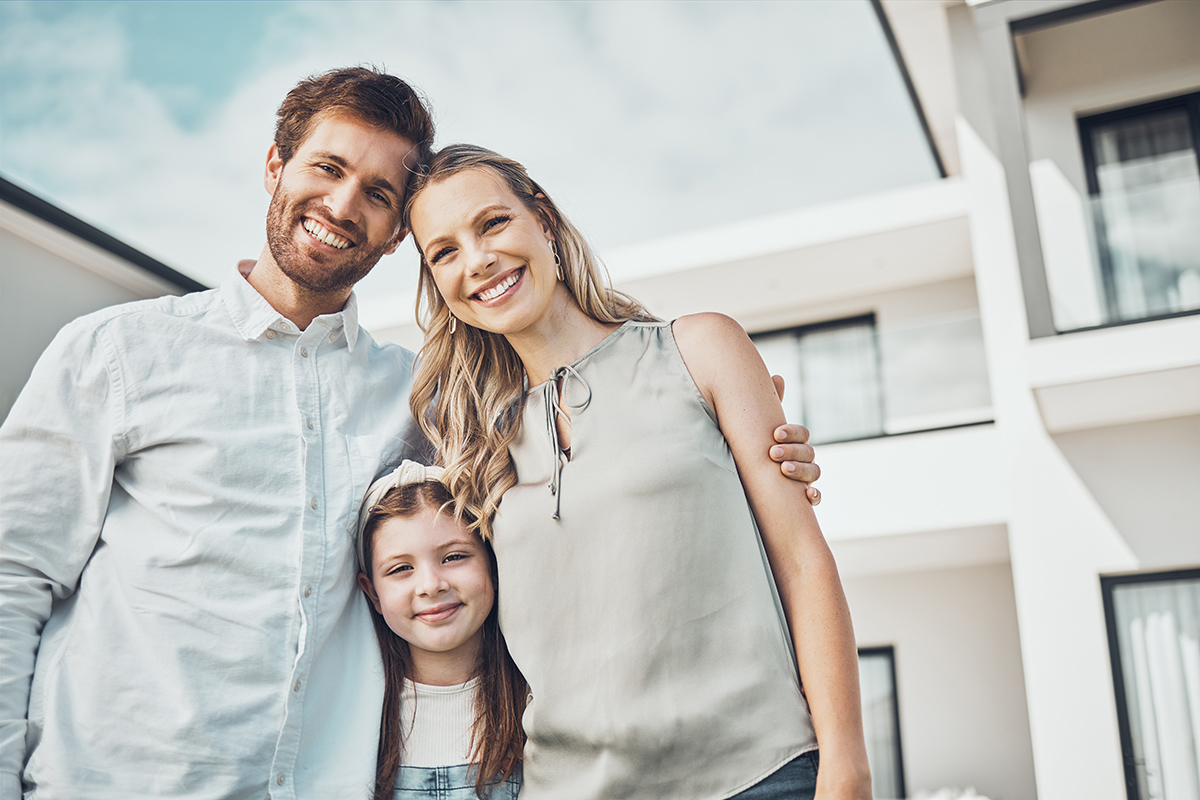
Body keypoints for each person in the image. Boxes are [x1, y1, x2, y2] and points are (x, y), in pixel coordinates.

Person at [0, 68, 820, 798]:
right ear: (275, 166)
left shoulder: (423, 399)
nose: (342, 206)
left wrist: (736, 428)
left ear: (399, 238)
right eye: (327, 168)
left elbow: (589, 472)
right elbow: (12, 574)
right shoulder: (117, 352)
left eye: (377, 193)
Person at [405, 144, 871, 800]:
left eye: (493, 223)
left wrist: (847, 767)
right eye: (444, 252)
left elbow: (802, 562)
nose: (477, 260)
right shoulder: (468, 445)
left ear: (543, 218)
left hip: (759, 775)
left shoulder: (700, 351)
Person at [355, 460, 525, 800]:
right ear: (373, 593)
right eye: (401, 568)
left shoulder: (531, 700)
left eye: (454, 557)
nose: (431, 585)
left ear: (493, 566)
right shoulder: (360, 718)